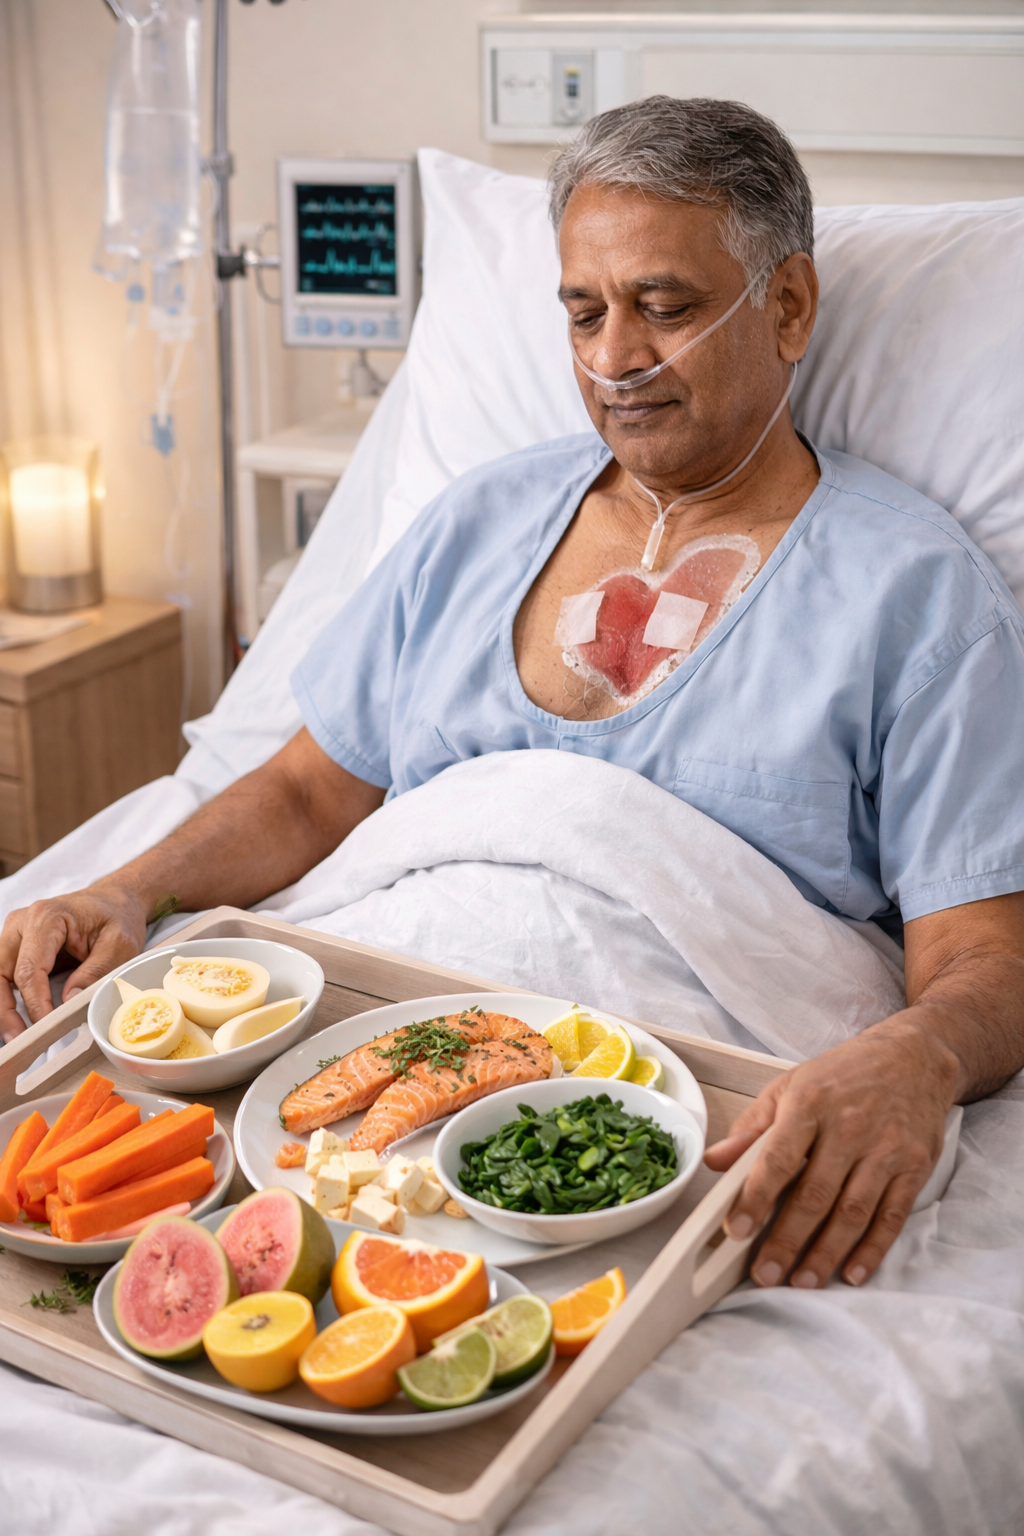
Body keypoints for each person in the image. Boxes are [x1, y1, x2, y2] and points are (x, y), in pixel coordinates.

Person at [3, 98, 1023, 1294]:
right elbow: (305, 791)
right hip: (353, 1052)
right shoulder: (476, 524)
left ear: (788, 306)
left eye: (664, 306)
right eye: (583, 313)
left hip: (664, 1096)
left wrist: (918, 1057)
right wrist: (126, 889)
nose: (613, 359)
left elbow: (984, 956)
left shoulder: (913, 591)